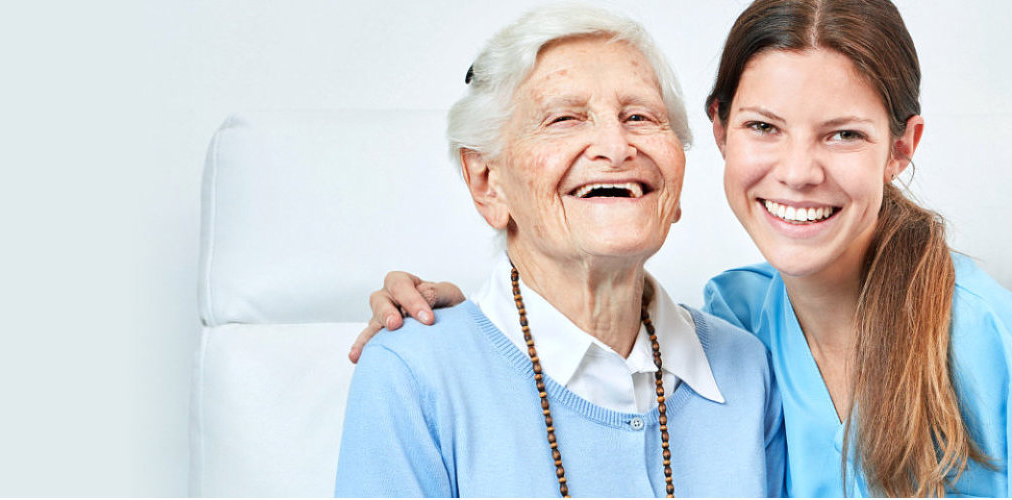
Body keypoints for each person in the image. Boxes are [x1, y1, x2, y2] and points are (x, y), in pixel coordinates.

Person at [353, 0, 1012, 496]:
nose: (799, 171)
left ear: (901, 147)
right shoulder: (740, 322)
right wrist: (454, 334)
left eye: (843, 133)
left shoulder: (989, 349)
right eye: (764, 127)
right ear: (720, 134)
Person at [333, 4, 783, 497]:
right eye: (565, 119)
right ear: (488, 183)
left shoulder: (749, 368)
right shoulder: (412, 374)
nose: (615, 148)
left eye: (640, 116)